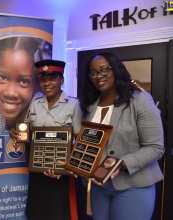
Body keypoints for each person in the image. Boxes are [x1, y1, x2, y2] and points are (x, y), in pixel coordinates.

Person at [79, 52, 164, 220]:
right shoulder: (90, 105)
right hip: (99, 187)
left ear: (116, 70)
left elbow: (155, 148)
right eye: (93, 72)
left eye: (104, 70)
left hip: (133, 186)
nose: (99, 76)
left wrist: (121, 163)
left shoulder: (140, 100)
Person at [9, 59, 83, 220]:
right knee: (38, 213)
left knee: (60, 214)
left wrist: (67, 166)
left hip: (62, 173)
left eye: (52, 79)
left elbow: (79, 140)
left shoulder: (73, 105)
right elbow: (26, 133)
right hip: (38, 169)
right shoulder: (35, 104)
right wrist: (16, 133)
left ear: (61, 80)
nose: (47, 83)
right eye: (43, 80)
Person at [0, 36, 44, 135]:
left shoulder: (41, 110)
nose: (11, 93)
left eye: (24, 81)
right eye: (3, 78)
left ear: (35, 84)